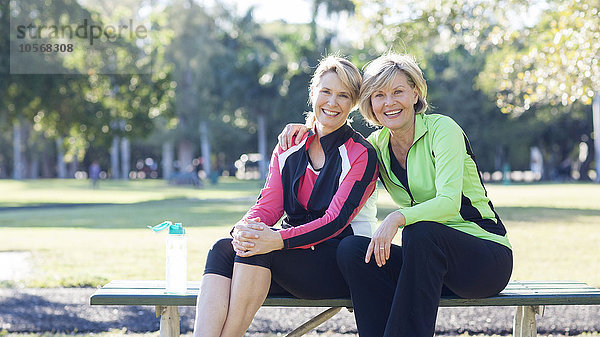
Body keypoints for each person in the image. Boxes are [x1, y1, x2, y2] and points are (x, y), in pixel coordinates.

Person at [278, 53, 513, 337]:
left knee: (420, 232)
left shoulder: (443, 130)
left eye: (398, 92)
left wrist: (398, 218)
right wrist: (308, 130)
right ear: (370, 104)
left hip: (484, 260)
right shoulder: (376, 147)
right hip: (427, 263)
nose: (389, 103)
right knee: (354, 251)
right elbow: (341, 148)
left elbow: (449, 203)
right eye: (379, 95)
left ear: (415, 93)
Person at [192, 55, 379, 337]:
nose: (332, 102)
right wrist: (244, 229)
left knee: (258, 248)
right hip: (289, 254)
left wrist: (274, 240)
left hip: (335, 262)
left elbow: (335, 221)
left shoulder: (361, 154)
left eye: (344, 96)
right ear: (313, 92)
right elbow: (269, 204)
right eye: (326, 92)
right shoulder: (291, 145)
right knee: (223, 247)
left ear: (353, 103)